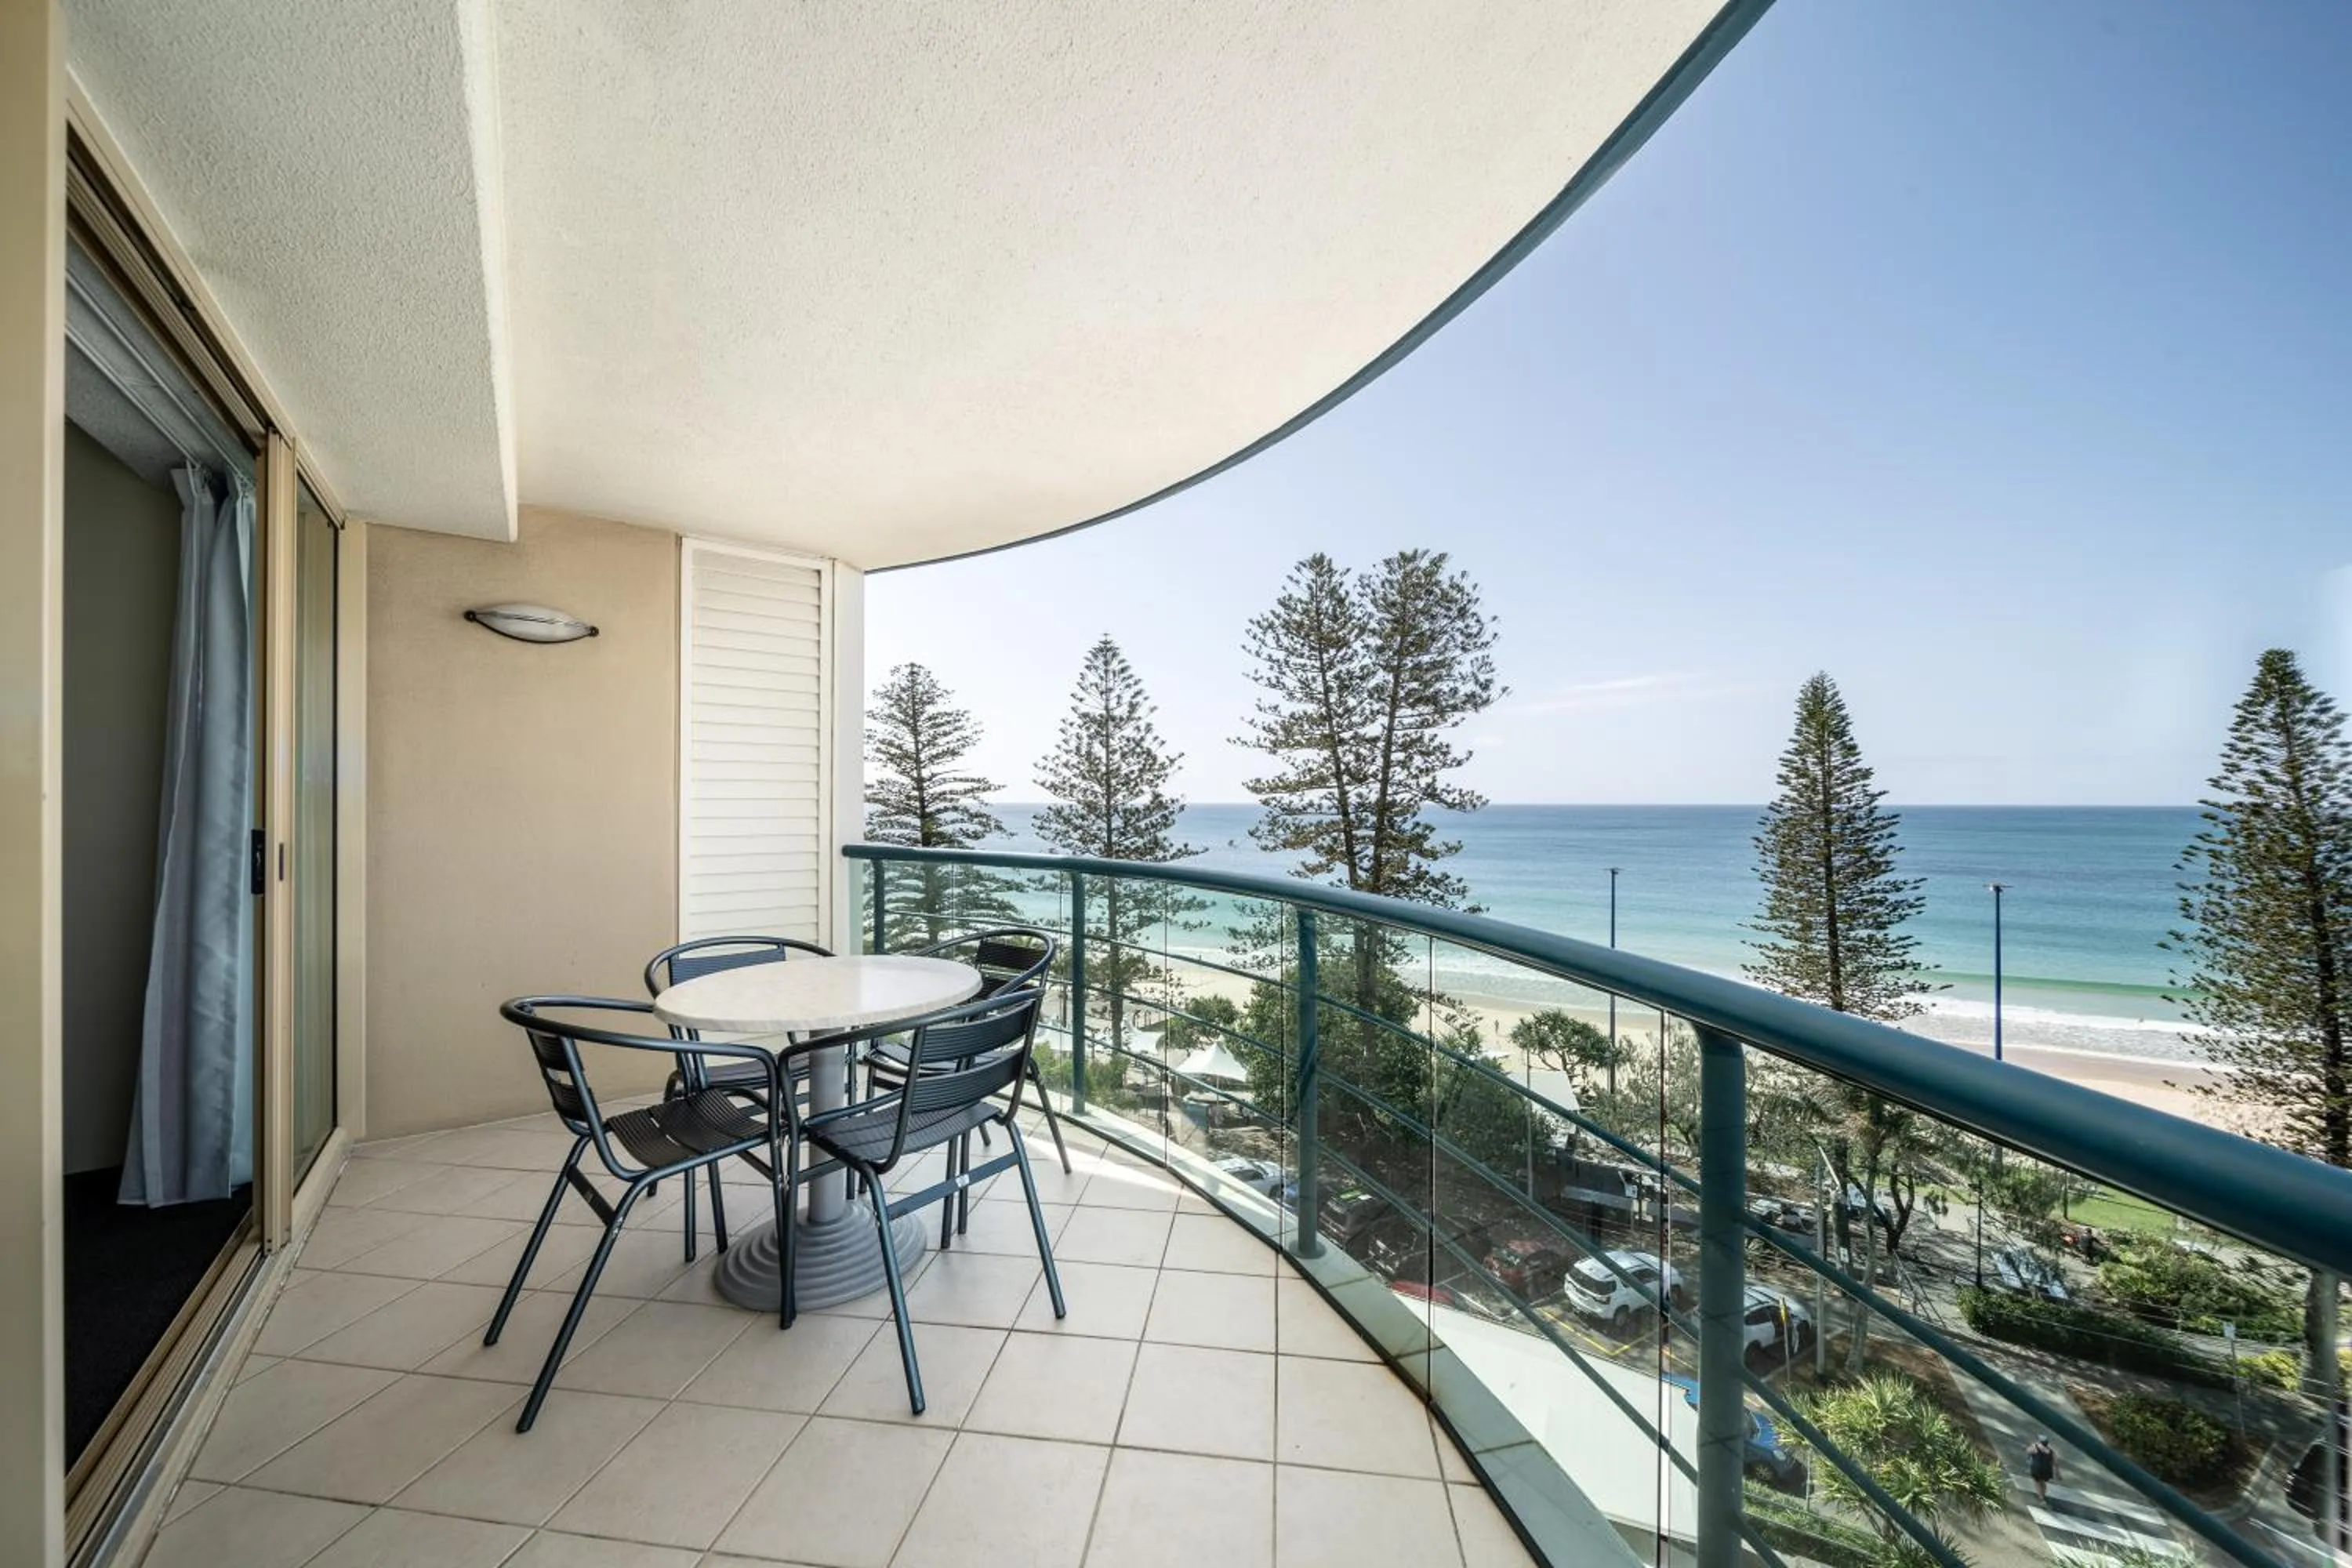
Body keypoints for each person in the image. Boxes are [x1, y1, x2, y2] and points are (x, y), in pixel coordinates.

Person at [2027, 1436, 2058, 1503]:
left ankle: (2041, 1497)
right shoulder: (2051, 1451)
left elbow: (2028, 1451)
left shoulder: (2036, 1447)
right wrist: (2057, 1472)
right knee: (2043, 1482)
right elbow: (2055, 1462)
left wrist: (2033, 1445)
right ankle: (2043, 1494)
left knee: (2037, 1482)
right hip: (2047, 1470)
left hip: (2037, 1468)